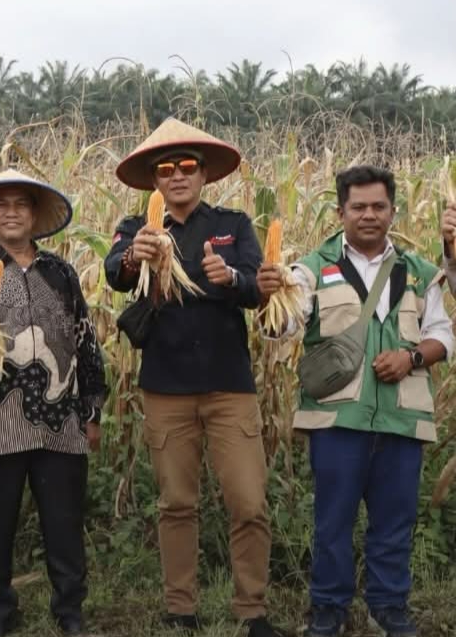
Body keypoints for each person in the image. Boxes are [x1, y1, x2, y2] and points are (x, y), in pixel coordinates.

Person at [104, 119, 281, 637]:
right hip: (166, 385)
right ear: (154, 179)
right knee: (177, 503)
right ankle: (181, 607)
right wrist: (134, 257)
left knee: (248, 502)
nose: (177, 176)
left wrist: (234, 279)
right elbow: (114, 272)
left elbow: (258, 286)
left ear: (203, 174)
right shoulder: (137, 226)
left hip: (229, 385)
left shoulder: (233, 224)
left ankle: (253, 610)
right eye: (166, 168)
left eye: (187, 167)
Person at [259, 166, 453, 637]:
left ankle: (389, 607)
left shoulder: (419, 273)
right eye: (359, 207)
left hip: (401, 419)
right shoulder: (310, 269)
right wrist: (270, 297)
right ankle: (328, 608)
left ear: (392, 211)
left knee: (394, 522)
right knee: (332, 522)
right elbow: (281, 327)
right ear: (340, 211)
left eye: (378, 207)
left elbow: (443, 336)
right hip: (336, 419)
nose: (369, 215)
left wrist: (410, 358)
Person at [0, 169, 105, 636]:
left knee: (63, 523)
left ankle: (69, 608)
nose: (12, 212)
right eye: (2, 205)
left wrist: (92, 411)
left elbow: (85, 342)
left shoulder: (61, 273)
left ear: (33, 216)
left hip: (60, 421)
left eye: (21, 205)